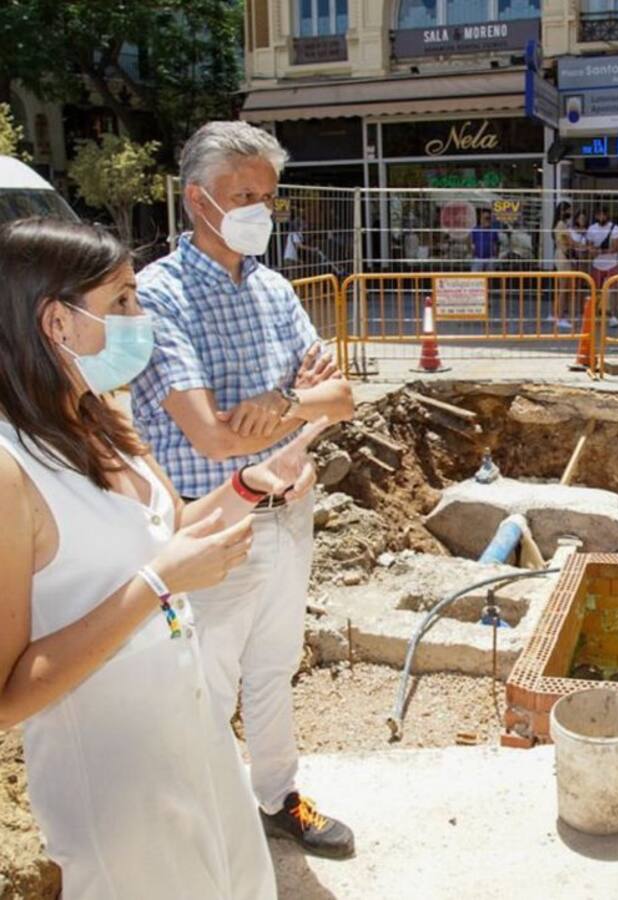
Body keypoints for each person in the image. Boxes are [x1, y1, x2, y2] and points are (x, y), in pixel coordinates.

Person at [0, 217, 329, 898]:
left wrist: (250, 484)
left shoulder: (102, 418)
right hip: (115, 781)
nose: (139, 314)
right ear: (56, 324)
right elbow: (8, 695)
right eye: (120, 300)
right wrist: (157, 586)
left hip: (192, 737)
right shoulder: (10, 470)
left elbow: (171, 530)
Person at [131, 121, 357, 859]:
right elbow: (211, 435)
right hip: (217, 530)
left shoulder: (272, 288)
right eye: (244, 195)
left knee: (271, 667)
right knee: (204, 684)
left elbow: (344, 398)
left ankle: (276, 796)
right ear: (199, 200)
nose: (261, 208)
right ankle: (201, 823)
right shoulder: (157, 297)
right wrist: (294, 409)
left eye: (268, 195)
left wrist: (283, 405)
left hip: (289, 516)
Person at [586, 207, 618, 327]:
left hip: (612, 264)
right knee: (595, 291)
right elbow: (589, 247)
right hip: (597, 264)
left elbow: (616, 247)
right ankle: (594, 315)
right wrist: (594, 251)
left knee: (614, 291)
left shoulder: (615, 228)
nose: (601, 217)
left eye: (603, 215)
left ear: (607, 215)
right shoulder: (592, 229)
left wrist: (600, 251)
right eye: (598, 215)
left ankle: (614, 316)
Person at [551, 201, 575, 331]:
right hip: (563, 257)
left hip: (562, 256)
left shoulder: (561, 224)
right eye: (569, 210)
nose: (571, 213)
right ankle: (560, 317)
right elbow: (569, 242)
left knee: (563, 287)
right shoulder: (561, 225)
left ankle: (559, 314)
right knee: (564, 288)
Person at [471, 207, 499, 273]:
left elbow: (496, 244)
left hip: (490, 259)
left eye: (489, 218)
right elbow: (471, 243)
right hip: (478, 258)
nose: (487, 220)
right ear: (481, 219)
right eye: (485, 218)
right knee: (475, 278)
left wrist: (495, 257)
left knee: (490, 279)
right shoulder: (475, 230)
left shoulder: (493, 230)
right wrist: (473, 255)